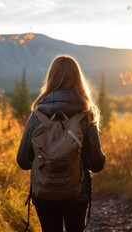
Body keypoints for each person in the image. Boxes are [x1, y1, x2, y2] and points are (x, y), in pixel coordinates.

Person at [17, 55, 106, 232]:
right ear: (78, 79)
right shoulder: (86, 116)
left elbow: (23, 160)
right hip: (76, 193)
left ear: (51, 78)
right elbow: (97, 164)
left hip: (44, 193)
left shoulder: (37, 116)